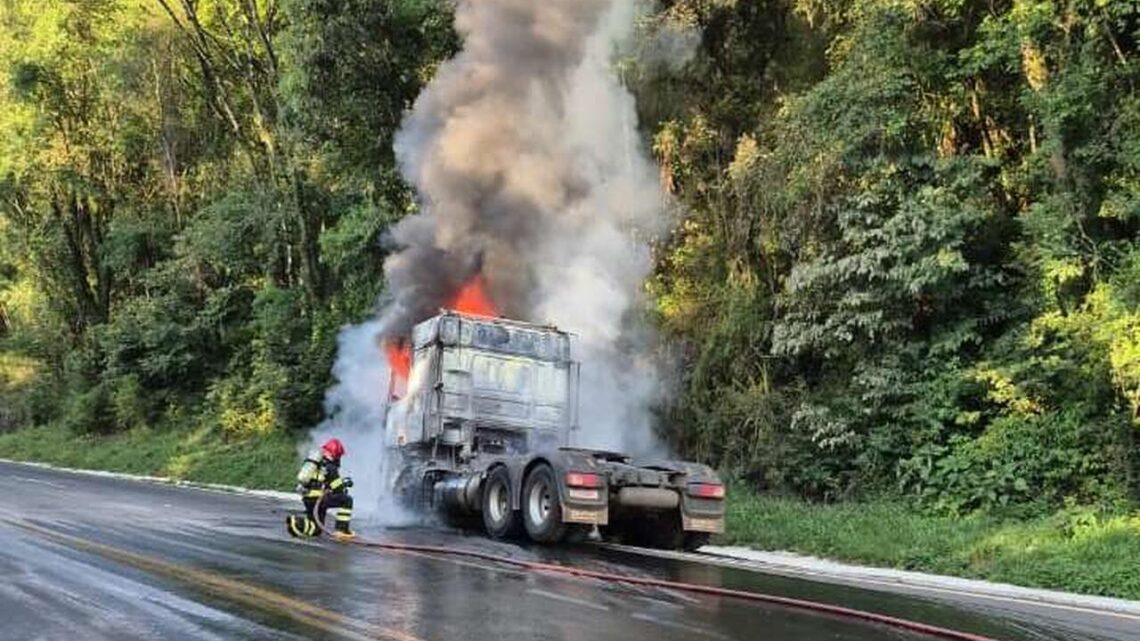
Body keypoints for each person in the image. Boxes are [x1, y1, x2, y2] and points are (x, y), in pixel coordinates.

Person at [294, 438, 355, 538]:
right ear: (335, 454)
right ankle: (342, 529)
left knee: (316, 530)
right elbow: (337, 489)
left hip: (308, 499)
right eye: (338, 456)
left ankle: (298, 524)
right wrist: (346, 483)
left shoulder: (315, 463)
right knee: (347, 500)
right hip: (319, 500)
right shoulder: (330, 466)